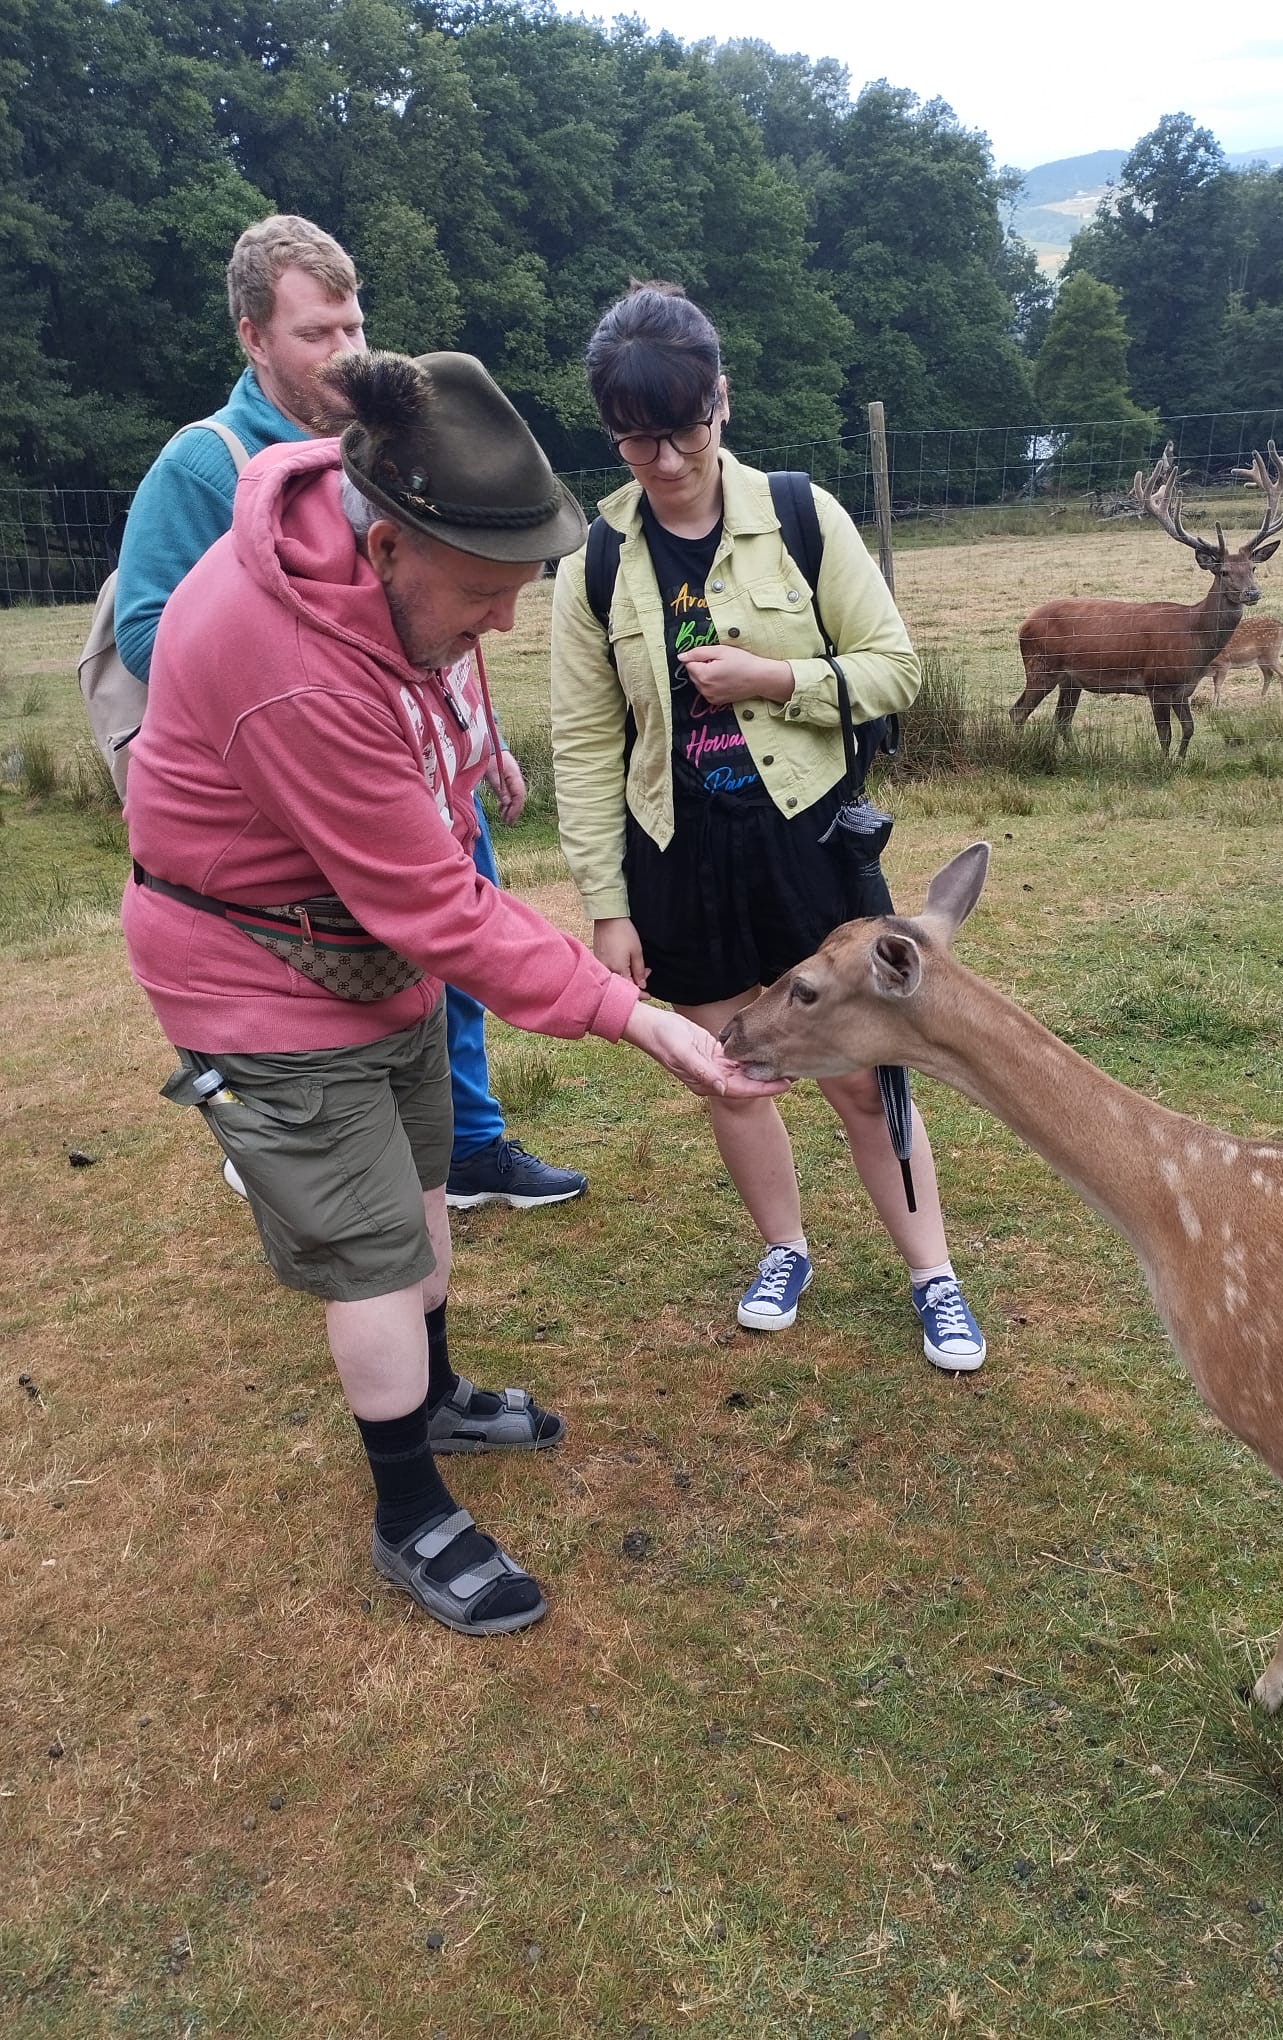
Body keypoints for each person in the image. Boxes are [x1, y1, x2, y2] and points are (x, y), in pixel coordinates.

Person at [121, 348, 779, 1634]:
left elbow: (437, 677)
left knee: (423, 1195)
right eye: (483, 593)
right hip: (260, 969)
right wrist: (637, 1018)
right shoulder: (288, 663)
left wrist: (473, 751)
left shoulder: (390, 554)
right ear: (386, 546)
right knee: (373, 1254)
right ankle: (409, 1508)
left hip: (367, 954)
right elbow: (437, 907)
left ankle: (432, 1398)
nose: (504, 623)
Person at [550, 283, 988, 1372]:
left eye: (684, 429)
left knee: (862, 1075)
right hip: (675, 857)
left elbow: (896, 669)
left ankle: (933, 1274)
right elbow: (585, 747)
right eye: (635, 438)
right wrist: (607, 906)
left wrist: (775, 678)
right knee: (729, 1070)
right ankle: (785, 1249)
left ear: (722, 401)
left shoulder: (802, 516)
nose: (664, 461)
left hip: (807, 847)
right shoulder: (593, 564)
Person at [115, 212, 582, 1212]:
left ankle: (465, 1144)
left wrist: (484, 740)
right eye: (313, 333)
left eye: (353, 327)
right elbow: (148, 630)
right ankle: (311, 1139)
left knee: (455, 949)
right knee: (386, 946)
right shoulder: (203, 465)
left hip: (427, 760)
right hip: (304, 780)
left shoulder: (391, 447)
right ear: (252, 337)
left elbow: (444, 611)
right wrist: (286, 669)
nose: (342, 352)